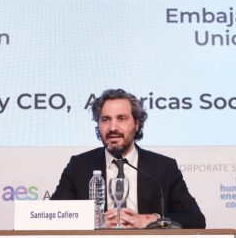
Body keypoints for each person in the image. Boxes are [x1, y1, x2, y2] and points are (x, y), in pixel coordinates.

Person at [51, 88, 206, 229]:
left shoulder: (164, 168)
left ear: (137, 124)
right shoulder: (79, 166)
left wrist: (150, 220)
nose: (113, 128)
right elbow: (52, 217)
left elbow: (195, 219)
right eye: (105, 119)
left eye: (121, 118)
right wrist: (95, 221)